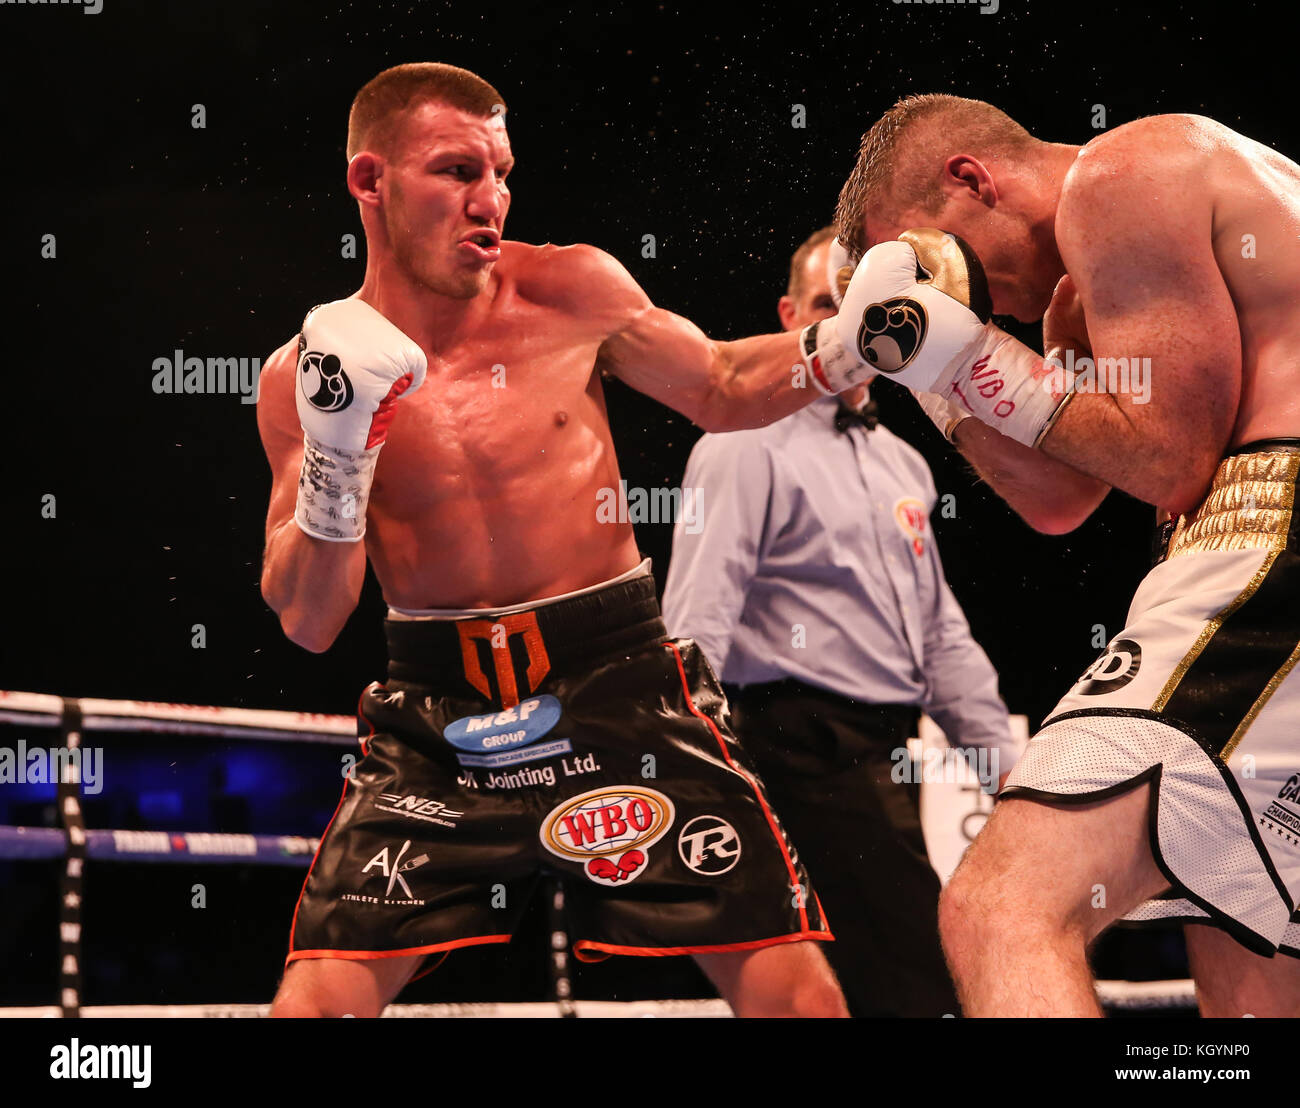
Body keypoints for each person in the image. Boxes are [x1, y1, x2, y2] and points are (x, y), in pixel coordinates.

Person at [256, 62, 885, 1018]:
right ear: (369, 182)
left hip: (620, 682)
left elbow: (718, 383)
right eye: (458, 171)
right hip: (436, 719)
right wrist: (339, 458)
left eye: (501, 172)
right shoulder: (305, 376)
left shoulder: (568, 289)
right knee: (313, 1007)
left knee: (799, 998)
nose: (492, 201)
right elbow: (308, 618)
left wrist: (856, 345)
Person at [826, 93, 1300, 1016]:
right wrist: (926, 358)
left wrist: (945, 336)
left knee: (1001, 907)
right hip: (1256, 560)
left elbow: (1170, 460)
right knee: (1253, 949)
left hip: (1276, 525)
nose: (971, 295)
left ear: (973, 180)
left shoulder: (1127, 170)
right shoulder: (1082, 298)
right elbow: (1059, 499)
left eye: (940, 259)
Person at [662, 225, 1018, 1016]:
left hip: (884, 755)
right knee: (916, 980)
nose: (860, 329)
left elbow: (939, 637)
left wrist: (1010, 779)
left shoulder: (904, 464)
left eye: (875, 309)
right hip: (793, 747)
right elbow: (697, 619)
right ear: (796, 317)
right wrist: (687, 767)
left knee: (880, 985)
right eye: (834, 306)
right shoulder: (744, 441)